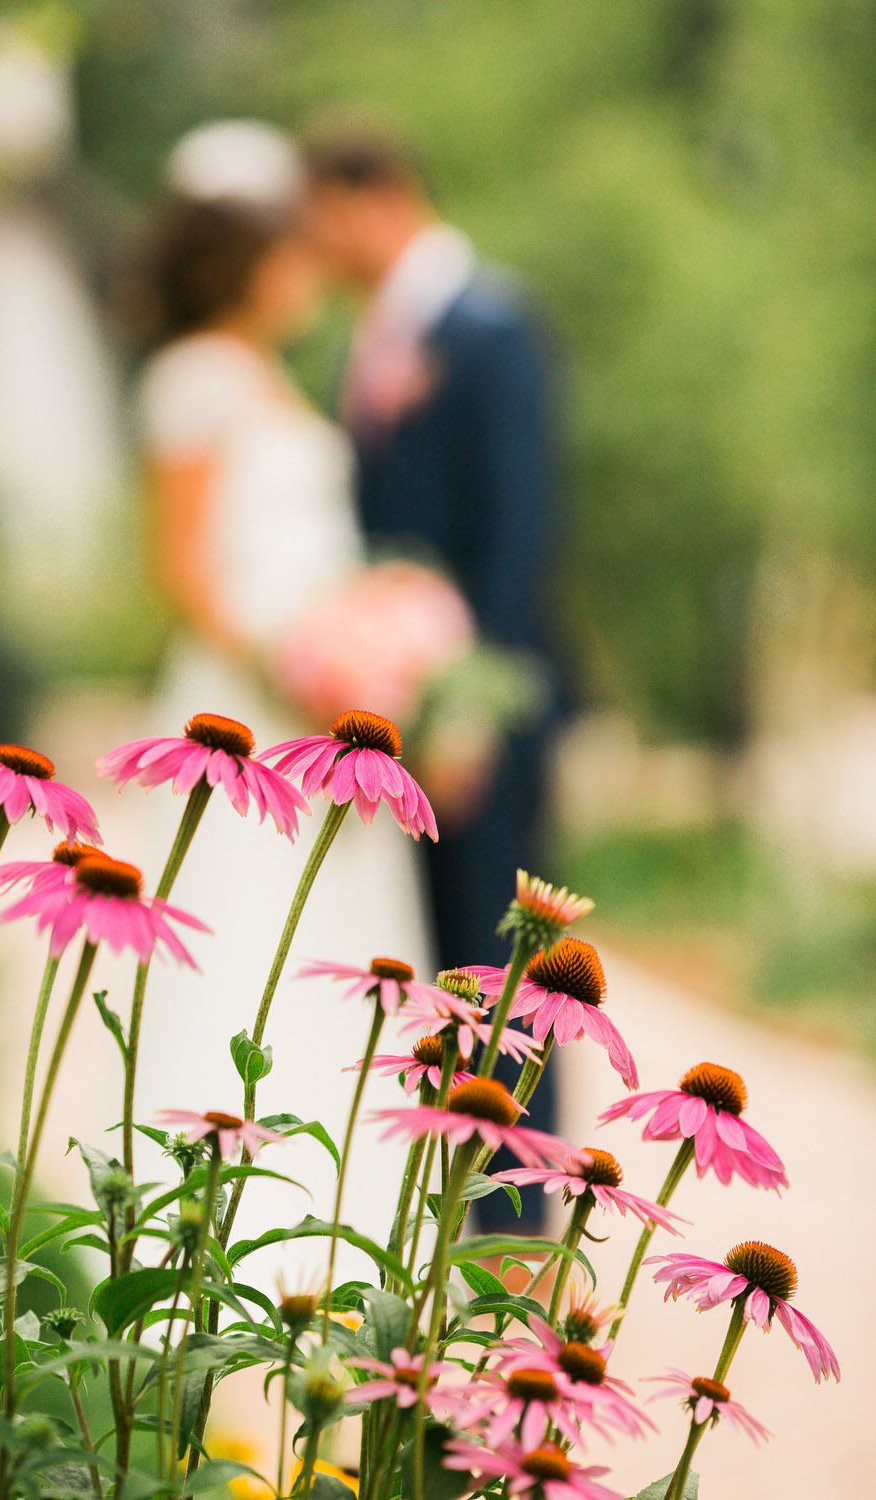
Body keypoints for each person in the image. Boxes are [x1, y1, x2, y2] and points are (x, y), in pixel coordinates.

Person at [130, 122, 435, 1284]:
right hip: (246, 711)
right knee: (243, 937)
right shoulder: (196, 378)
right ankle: (212, 1240)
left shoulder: (273, 378)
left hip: (324, 726)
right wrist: (292, 657)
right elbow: (185, 565)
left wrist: (372, 628)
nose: (309, 271)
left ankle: (333, 1231)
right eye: (291, 252)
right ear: (249, 262)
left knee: (335, 949)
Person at [305, 133, 564, 1231]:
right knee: (431, 967)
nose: (315, 246)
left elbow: (519, 530)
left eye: (322, 215)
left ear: (380, 196)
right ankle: (458, 1215)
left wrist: (465, 712)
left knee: (498, 972)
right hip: (402, 711)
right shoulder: (371, 340)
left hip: (480, 715)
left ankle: (511, 1230)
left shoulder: (489, 327)